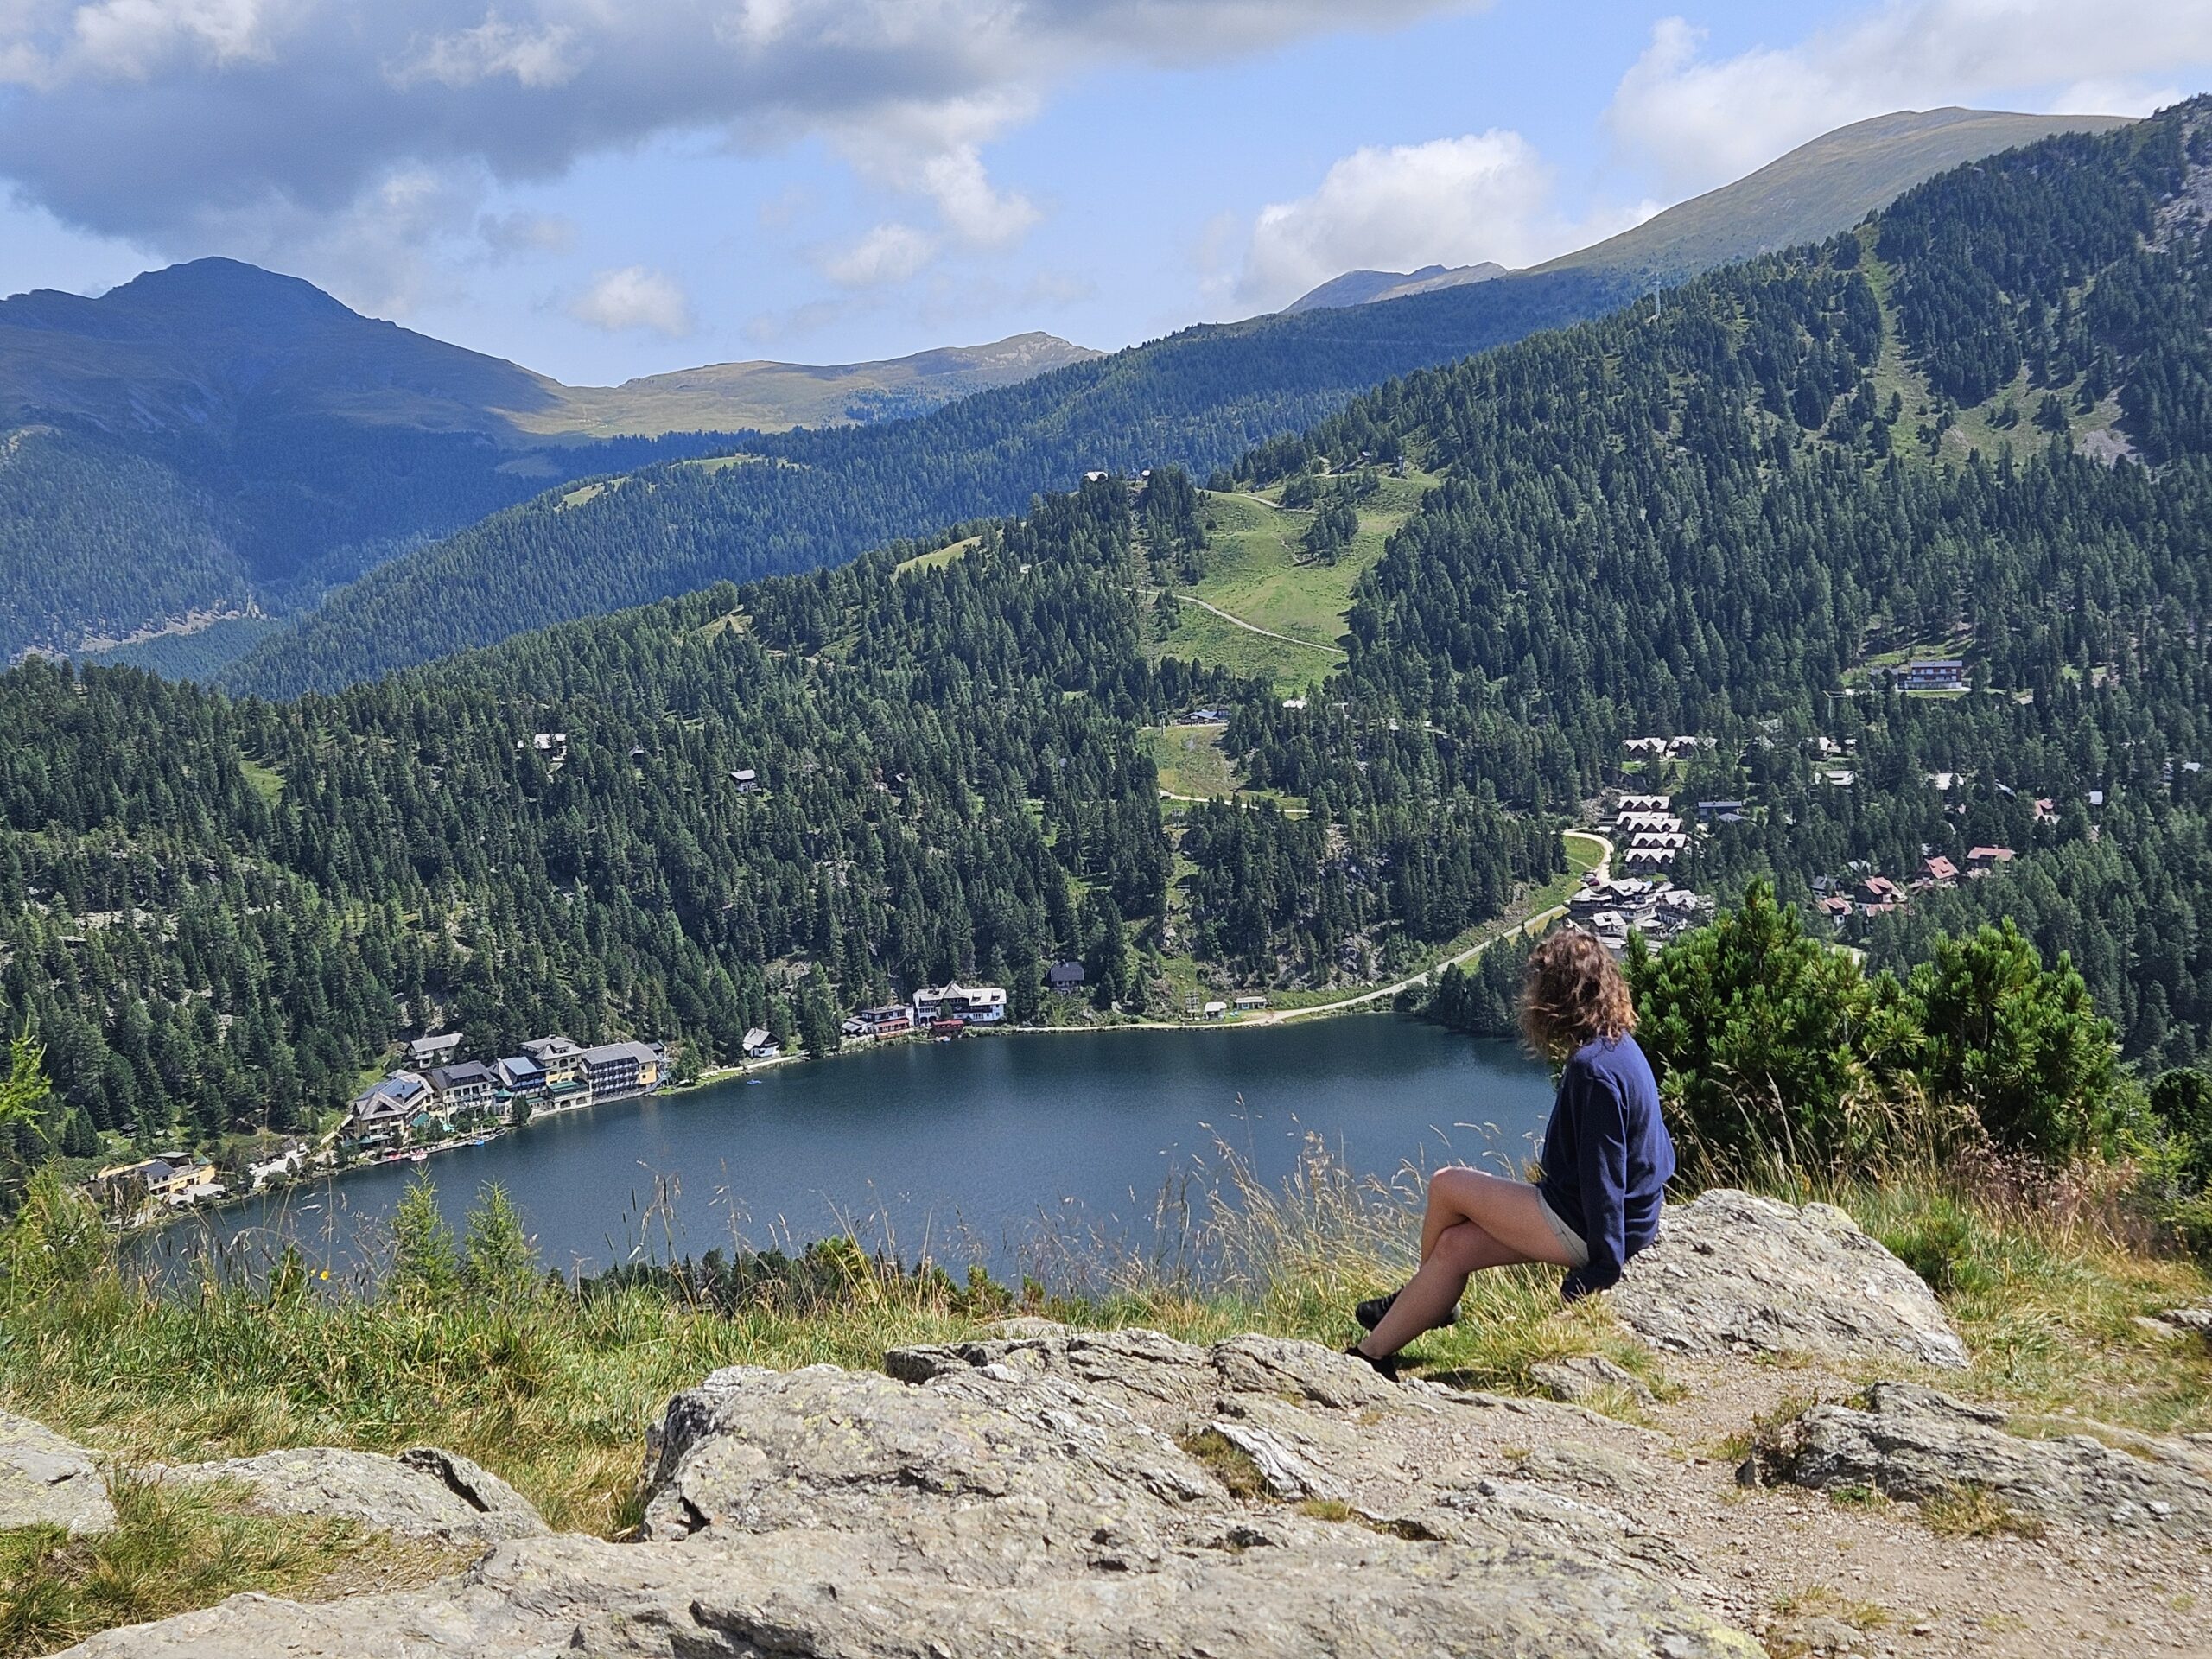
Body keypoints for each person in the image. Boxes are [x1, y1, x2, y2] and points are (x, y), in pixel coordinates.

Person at [1348, 928, 1675, 1378]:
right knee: (1454, 1248)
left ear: (1559, 995)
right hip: (1627, 1216)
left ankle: (1418, 1301)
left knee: (1446, 1185)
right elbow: (1657, 1153)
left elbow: (1605, 1179)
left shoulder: (1591, 1070)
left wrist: (1603, 1267)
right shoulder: (1620, 1046)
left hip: (1586, 1224)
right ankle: (1373, 1354)